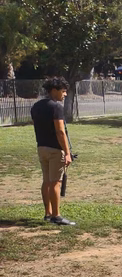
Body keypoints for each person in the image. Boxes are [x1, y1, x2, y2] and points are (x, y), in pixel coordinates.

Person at [30, 76, 76, 226]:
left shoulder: (36, 106)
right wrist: (67, 153)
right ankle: (56, 216)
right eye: (63, 91)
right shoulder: (56, 107)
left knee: (46, 181)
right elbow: (60, 132)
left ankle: (48, 213)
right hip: (55, 150)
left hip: (41, 147)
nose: (65, 94)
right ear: (54, 90)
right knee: (56, 182)